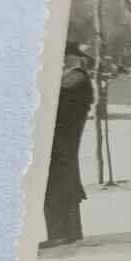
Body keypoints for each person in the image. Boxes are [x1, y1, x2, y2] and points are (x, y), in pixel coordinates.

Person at [41, 41, 95, 248]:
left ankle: (61, 233)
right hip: (63, 139)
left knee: (57, 183)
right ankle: (70, 231)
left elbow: (56, 107)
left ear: (70, 58)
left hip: (62, 140)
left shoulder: (75, 78)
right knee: (64, 181)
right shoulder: (73, 77)